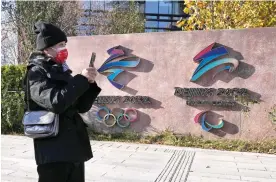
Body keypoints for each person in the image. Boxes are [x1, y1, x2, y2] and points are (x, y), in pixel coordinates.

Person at [23, 21, 101, 182]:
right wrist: (81, 79)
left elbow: (81, 107)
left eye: (65, 44)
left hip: (74, 147)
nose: (64, 49)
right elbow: (56, 103)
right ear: (47, 48)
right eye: (60, 45)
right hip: (53, 149)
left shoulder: (63, 71)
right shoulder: (36, 72)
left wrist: (89, 84)